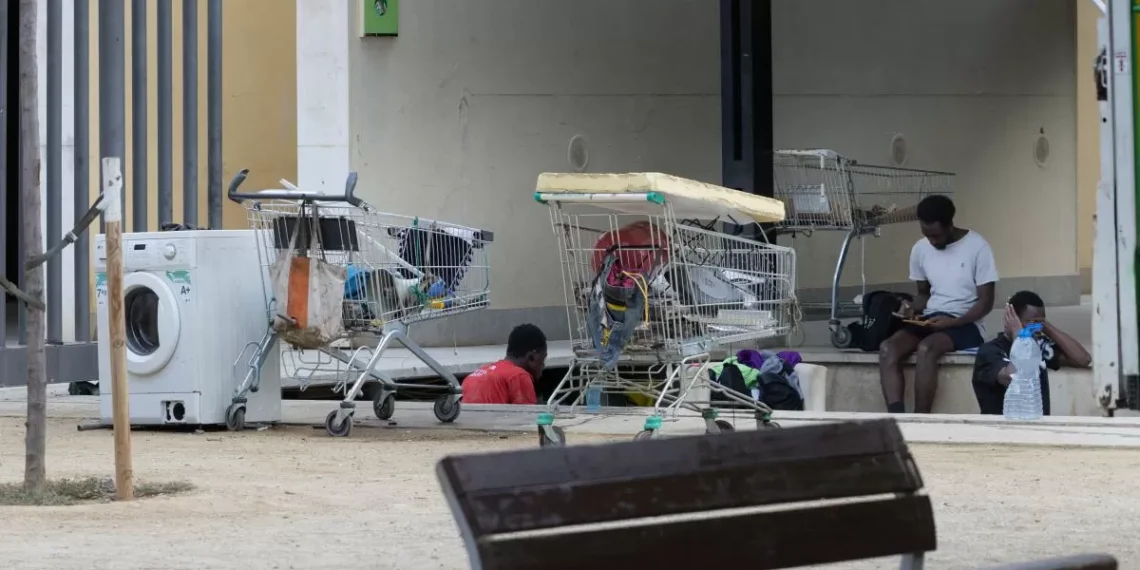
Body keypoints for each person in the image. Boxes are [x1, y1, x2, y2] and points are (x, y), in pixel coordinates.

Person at [879, 194, 999, 413]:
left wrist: (953, 323)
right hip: (931, 319)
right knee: (888, 348)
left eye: (936, 235)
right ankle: (897, 418)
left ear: (950, 225)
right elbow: (923, 295)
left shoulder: (977, 247)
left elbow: (986, 302)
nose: (932, 241)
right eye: (927, 235)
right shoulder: (920, 249)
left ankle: (920, 420)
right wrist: (910, 308)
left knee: (927, 348)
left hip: (967, 323)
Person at [972, 291, 1092, 415]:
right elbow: (1013, 377)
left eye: (1038, 324)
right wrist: (1019, 337)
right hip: (1003, 429)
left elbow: (1082, 359)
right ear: (1011, 319)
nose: (1035, 330)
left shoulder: (1038, 346)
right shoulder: (990, 351)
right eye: (1030, 323)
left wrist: (1044, 324)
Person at [461, 324, 548, 405]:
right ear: (531, 356)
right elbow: (528, 417)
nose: (543, 366)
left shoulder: (471, 377)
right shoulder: (519, 376)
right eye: (543, 359)